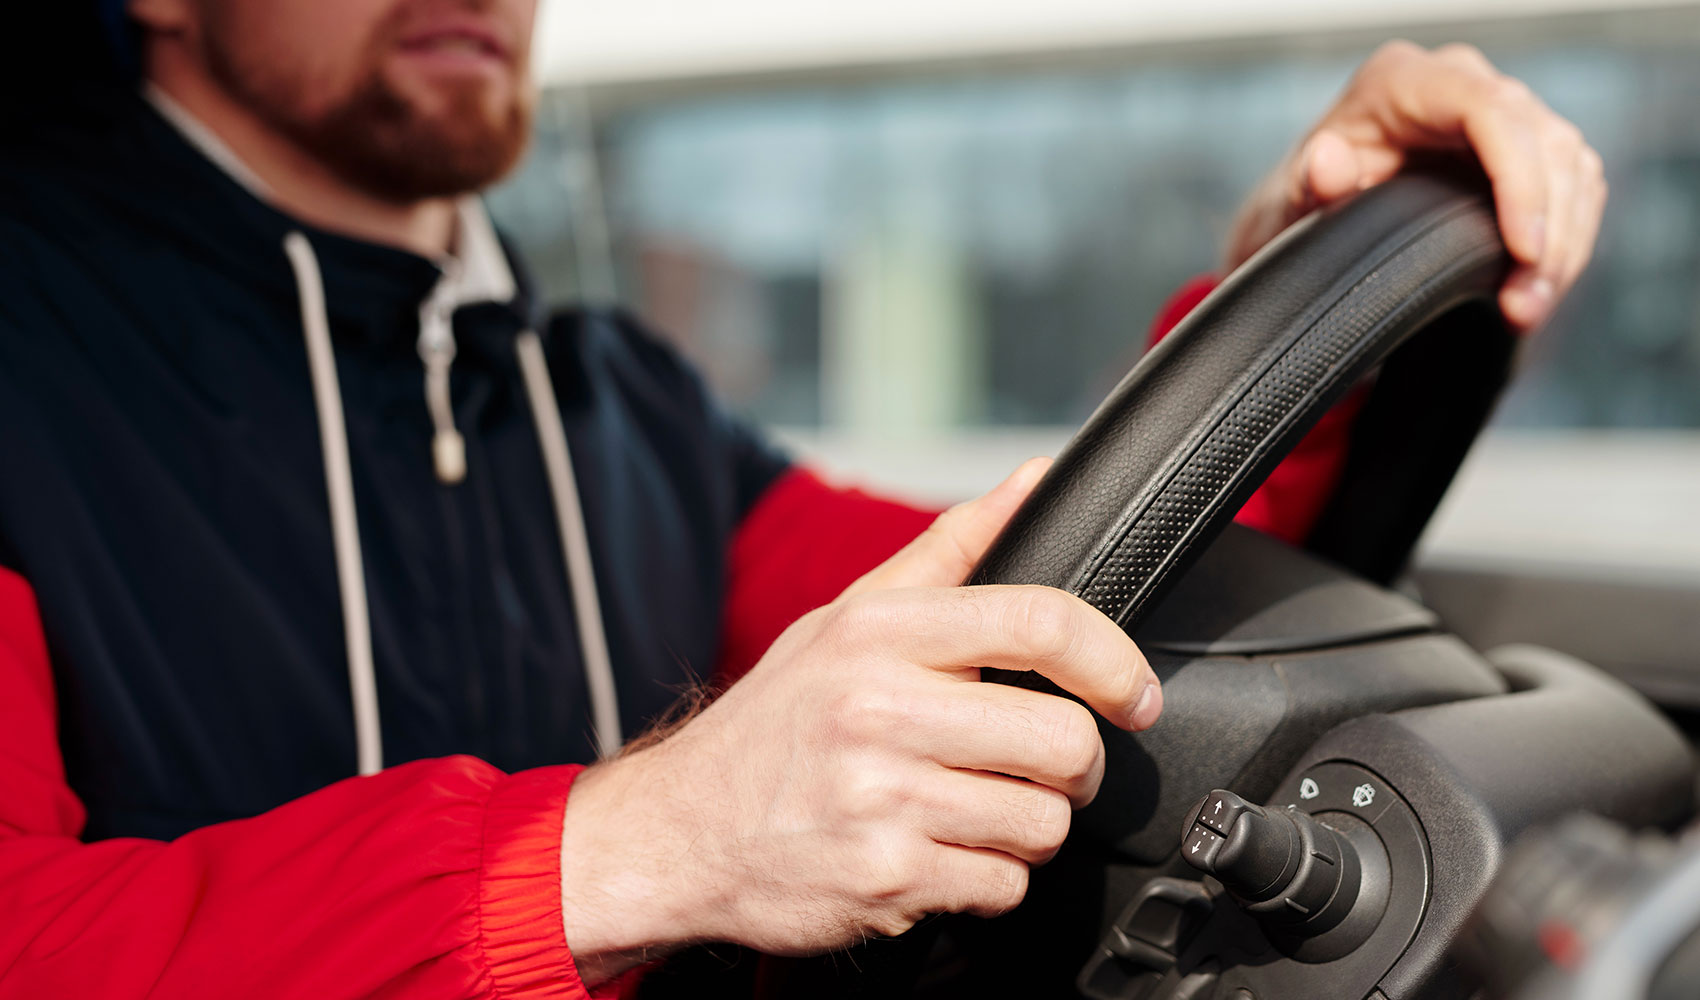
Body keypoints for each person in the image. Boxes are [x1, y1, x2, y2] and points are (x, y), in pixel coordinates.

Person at [0, 0, 1605, 996]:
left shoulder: (624, 402)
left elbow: (1067, 619)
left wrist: (1291, 294)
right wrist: (634, 847)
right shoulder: (35, 364)